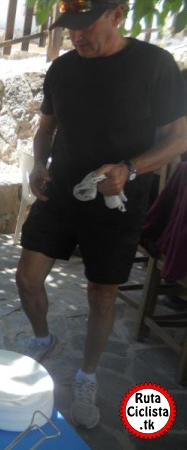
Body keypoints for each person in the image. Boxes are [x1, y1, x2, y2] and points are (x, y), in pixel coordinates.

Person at [15, 0, 187, 429]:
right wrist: (39, 165)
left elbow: (178, 139)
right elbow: (45, 128)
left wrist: (130, 169)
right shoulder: (63, 68)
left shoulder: (155, 65)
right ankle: (42, 338)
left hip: (118, 200)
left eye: (85, 25)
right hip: (62, 189)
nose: (76, 36)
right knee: (27, 278)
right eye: (70, 27)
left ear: (117, 14)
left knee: (102, 294)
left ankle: (87, 375)